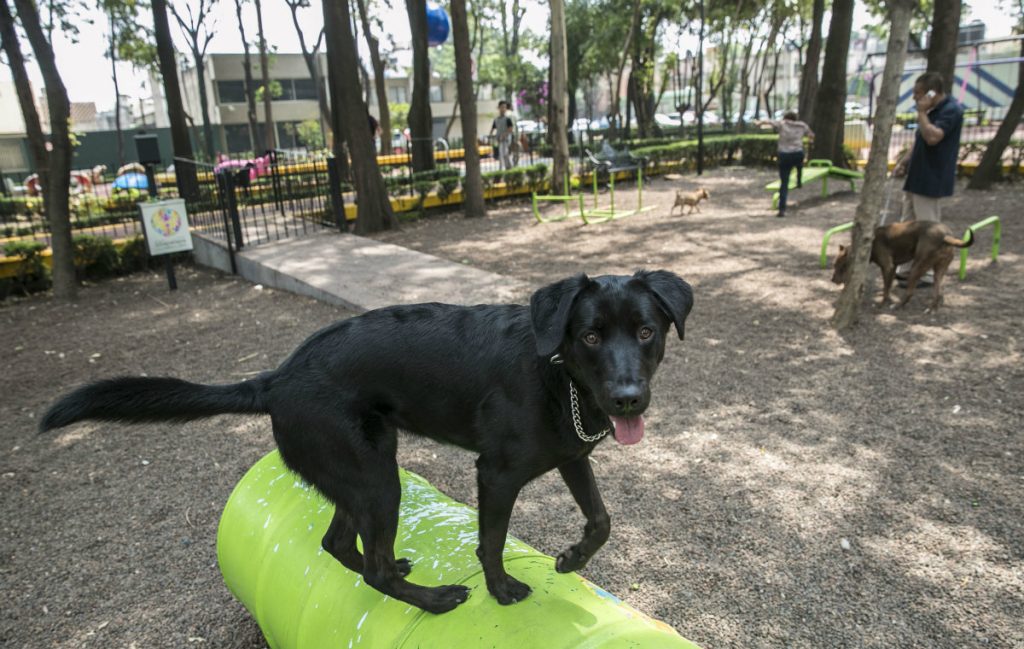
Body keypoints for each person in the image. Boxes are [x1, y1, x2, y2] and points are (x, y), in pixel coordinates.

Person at [892, 71, 965, 284]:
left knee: (929, 227)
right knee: (908, 224)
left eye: (918, 93)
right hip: (916, 176)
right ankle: (906, 267)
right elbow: (920, 141)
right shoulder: (932, 111)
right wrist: (904, 162)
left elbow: (933, 137)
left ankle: (927, 270)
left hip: (932, 177)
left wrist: (922, 113)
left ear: (932, 93)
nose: (915, 97)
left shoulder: (951, 110)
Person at [759, 111, 814, 218]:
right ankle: (799, 180)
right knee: (799, 164)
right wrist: (810, 141)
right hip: (797, 153)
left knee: (784, 183)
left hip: (784, 154)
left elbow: (769, 122)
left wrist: (759, 122)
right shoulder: (802, 125)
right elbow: (811, 135)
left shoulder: (782, 124)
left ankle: (782, 209)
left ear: (785, 118)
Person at [489, 100, 516, 170]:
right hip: (499, 139)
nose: (503, 109)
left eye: (505, 107)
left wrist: (504, 135)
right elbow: (493, 128)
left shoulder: (507, 119)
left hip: (506, 140)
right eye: (502, 107)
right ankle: (509, 168)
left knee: (503, 153)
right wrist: (491, 136)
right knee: (504, 154)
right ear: (499, 108)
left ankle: (502, 168)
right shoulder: (496, 119)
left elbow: (510, 129)